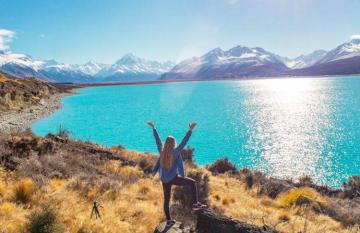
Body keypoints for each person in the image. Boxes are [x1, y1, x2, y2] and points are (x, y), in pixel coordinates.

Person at [147, 121, 206, 227]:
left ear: (166, 143)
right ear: (173, 144)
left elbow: (157, 140)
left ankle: (169, 220)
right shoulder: (175, 152)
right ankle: (196, 204)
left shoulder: (161, 151)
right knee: (192, 183)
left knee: (166, 200)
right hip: (173, 178)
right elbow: (184, 142)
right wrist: (190, 130)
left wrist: (154, 128)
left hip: (164, 180)